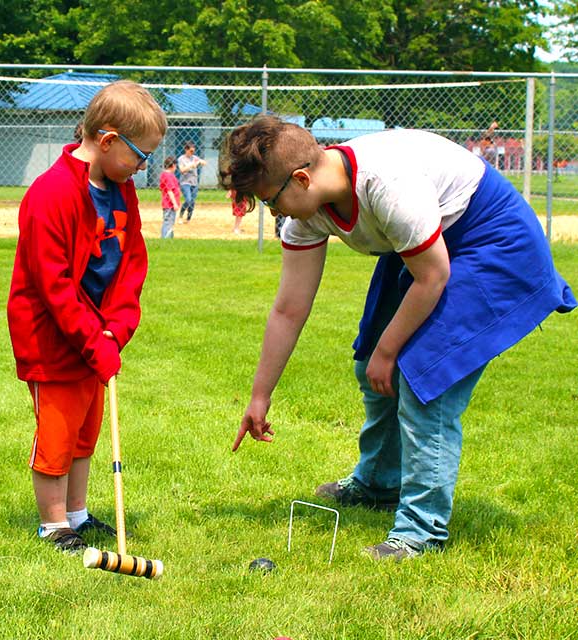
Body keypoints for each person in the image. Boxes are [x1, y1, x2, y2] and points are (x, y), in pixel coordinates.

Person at [219, 115, 576, 561]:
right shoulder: (307, 213)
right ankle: (379, 481)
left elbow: (433, 276)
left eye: (271, 201)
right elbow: (289, 309)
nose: (275, 213)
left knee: (425, 376)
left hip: (491, 240)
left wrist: (391, 353)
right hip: (431, 244)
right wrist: (259, 396)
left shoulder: (387, 186)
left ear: (303, 178)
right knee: (366, 358)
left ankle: (420, 532)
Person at [7, 80, 167, 555]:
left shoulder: (121, 190)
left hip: (96, 334)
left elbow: (131, 261)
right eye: (141, 155)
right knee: (57, 432)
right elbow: (52, 285)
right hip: (52, 337)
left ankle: (76, 513)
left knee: (85, 431)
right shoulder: (50, 193)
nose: (144, 167)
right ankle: (54, 524)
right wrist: (92, 338)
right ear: (108, 139)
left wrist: (116, 328)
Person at [177, 141, 207, 223]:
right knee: (188, 199)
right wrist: (190, 165)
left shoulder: (195, 158)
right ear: (186, 150)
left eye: (193, 151)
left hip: (194, 182)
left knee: (192, 202)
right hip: (185, 182)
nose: (192, 153)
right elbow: (182, 170)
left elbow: (204, 163)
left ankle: (188, 219)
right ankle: (181, 215)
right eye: (190, 151)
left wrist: (200, 162)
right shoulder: (181, 159)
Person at [159, 156, 180, 239]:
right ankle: (165, 238)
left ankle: (169, 237)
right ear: (173, 165)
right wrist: (174, 203)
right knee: (168, 222)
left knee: (169, 222)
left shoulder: (164, 174)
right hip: (169, 204)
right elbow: (169, 190)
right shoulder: (168, 176)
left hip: (167, 203)